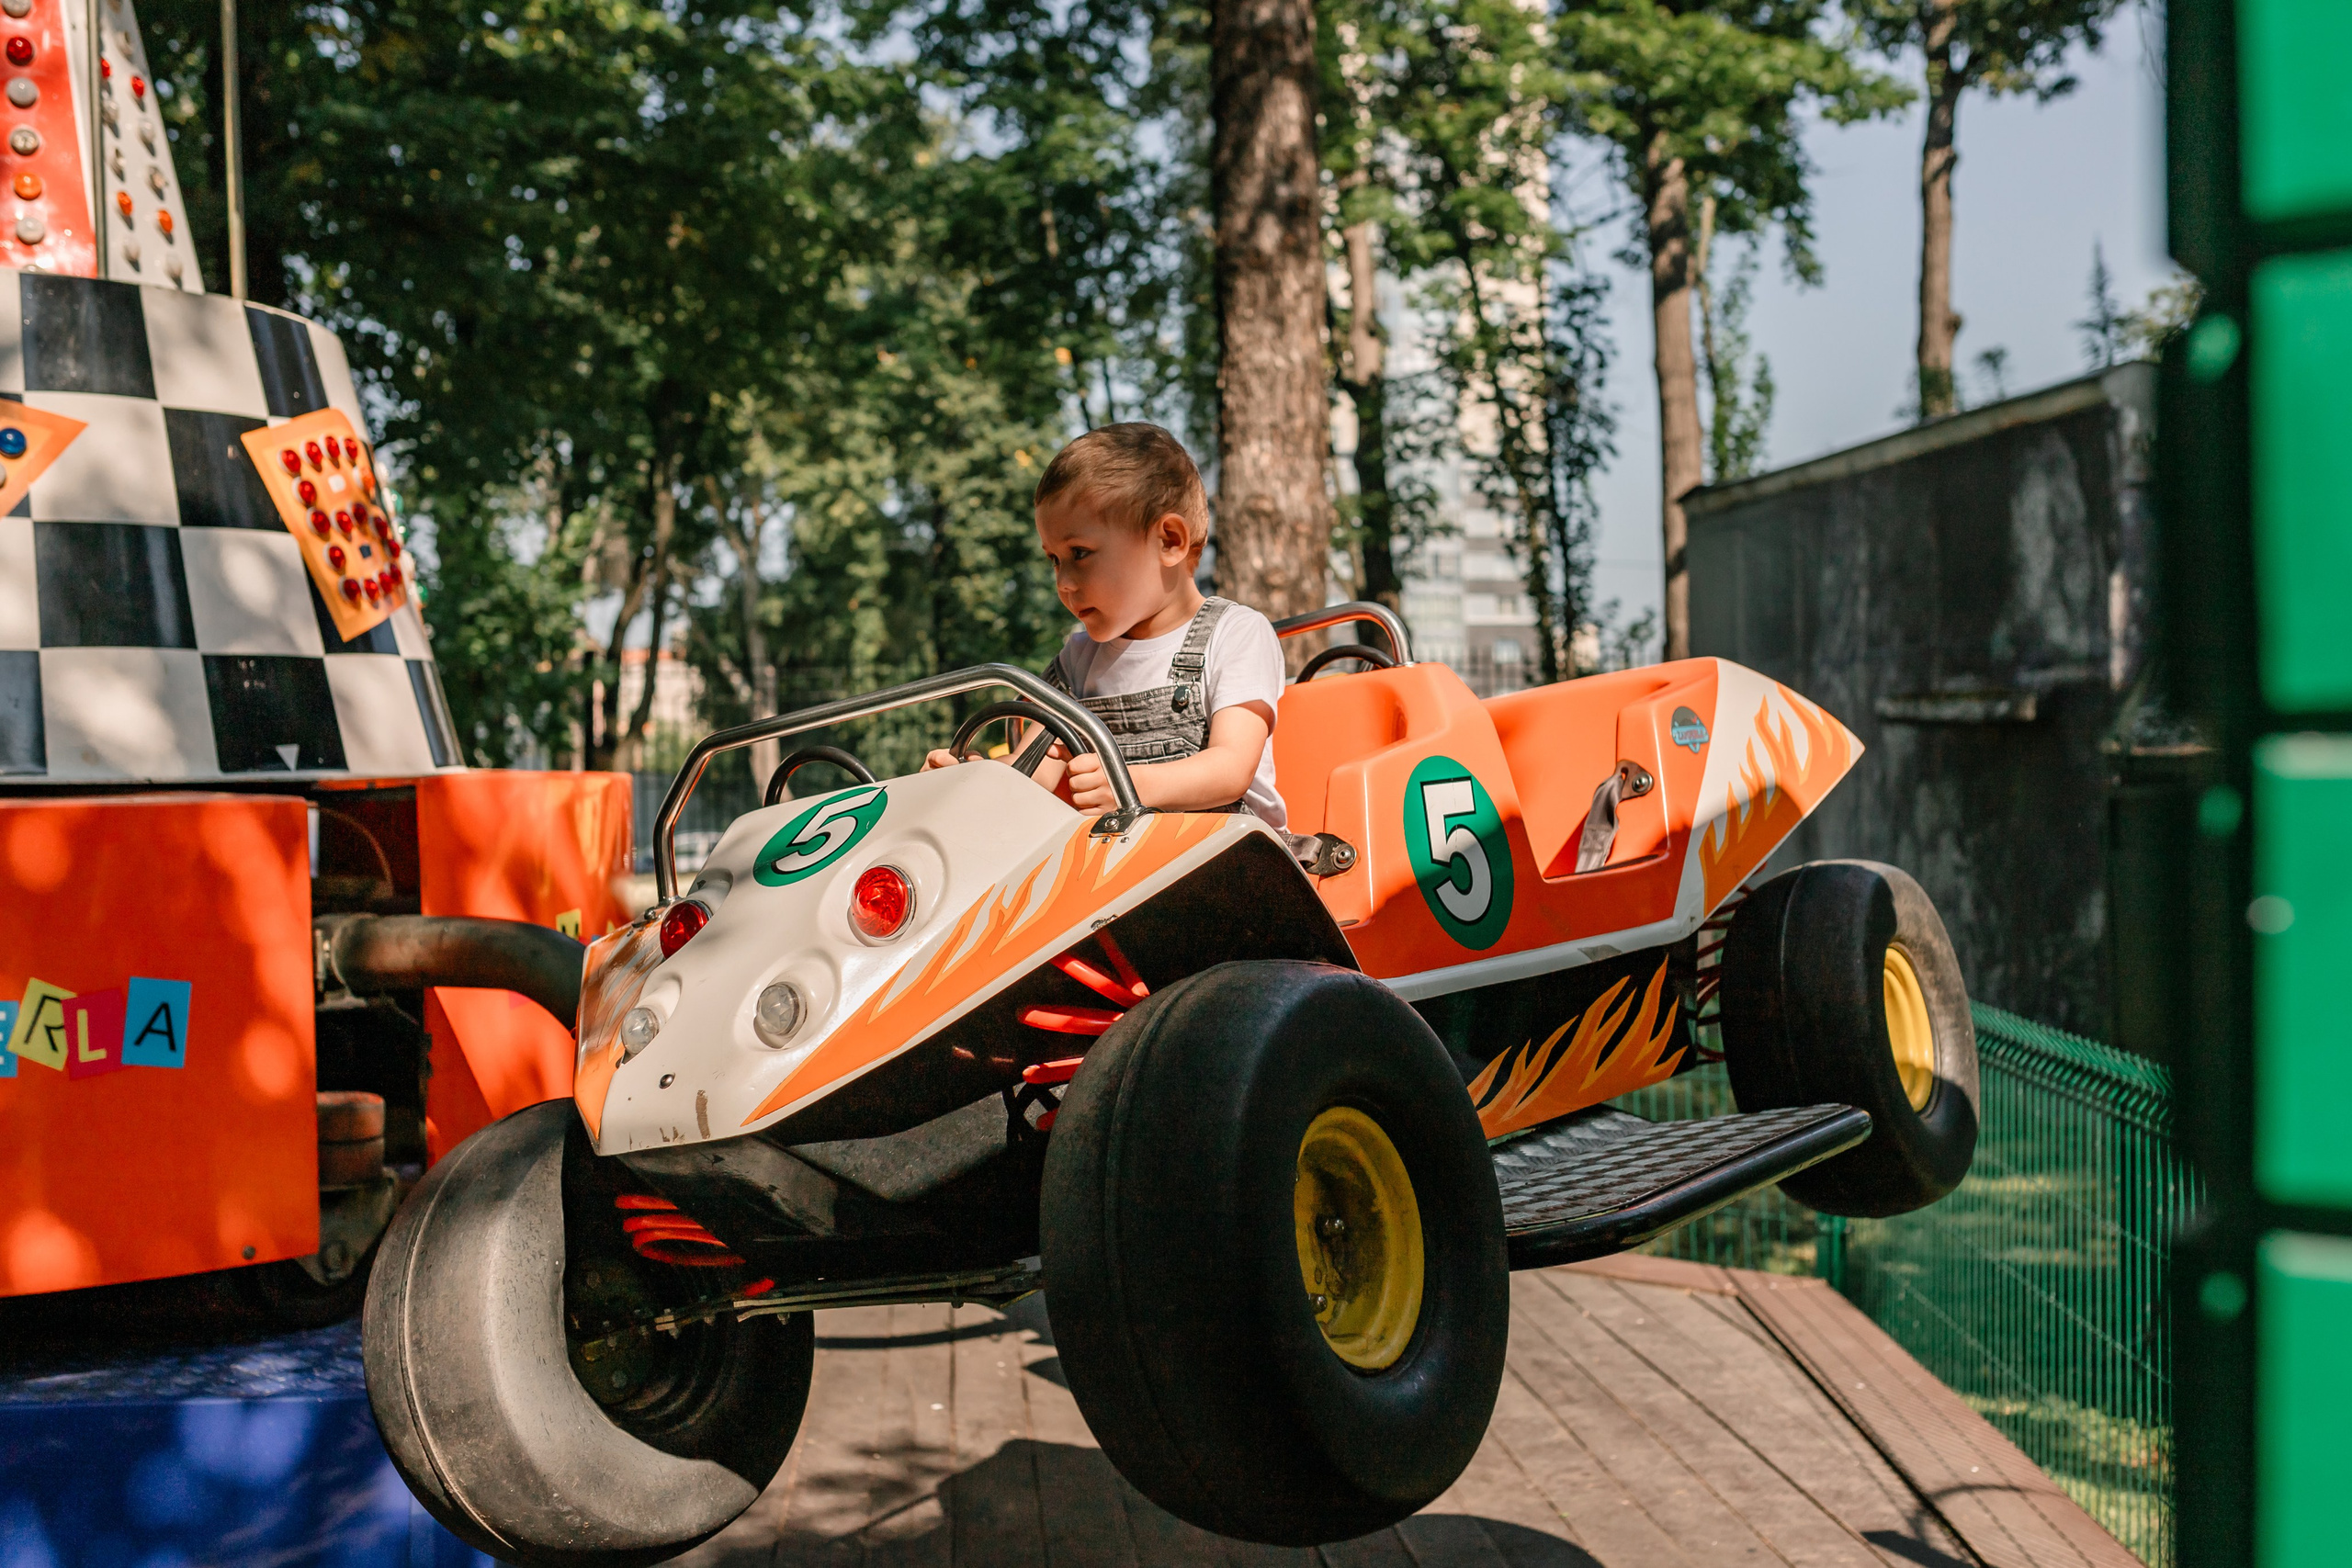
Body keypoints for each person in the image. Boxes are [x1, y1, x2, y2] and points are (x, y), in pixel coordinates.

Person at [923, 423, 1287, 828]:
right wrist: (972, 779)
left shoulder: (1235, 633)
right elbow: (1035, 771)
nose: (1063, 582)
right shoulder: (1076, 662)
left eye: (1079, 553)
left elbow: (1231, 769)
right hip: (1127, 860)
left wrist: (1126, 784)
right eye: (1054, 560)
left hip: (1234, 852)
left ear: (1169, 541)